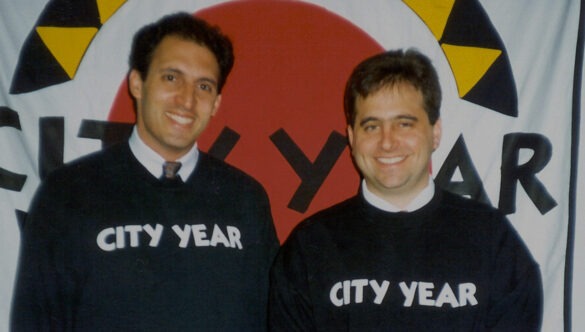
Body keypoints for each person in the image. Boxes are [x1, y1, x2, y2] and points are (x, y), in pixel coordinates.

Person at [11, 12, 279, 331]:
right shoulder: (69, 193)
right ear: (137, 83)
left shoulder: (245, 198)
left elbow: (274, 318)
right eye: (171, 77)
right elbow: (36, 321)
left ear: (217, 102)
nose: (187, 100)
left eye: (204, 86)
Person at [269, 49, 542, 331]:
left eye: (404, 124)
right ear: (352, 137)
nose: (387, 142)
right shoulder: (310, 246)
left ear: (435, 133)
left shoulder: (491, 239)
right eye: (371, 126)